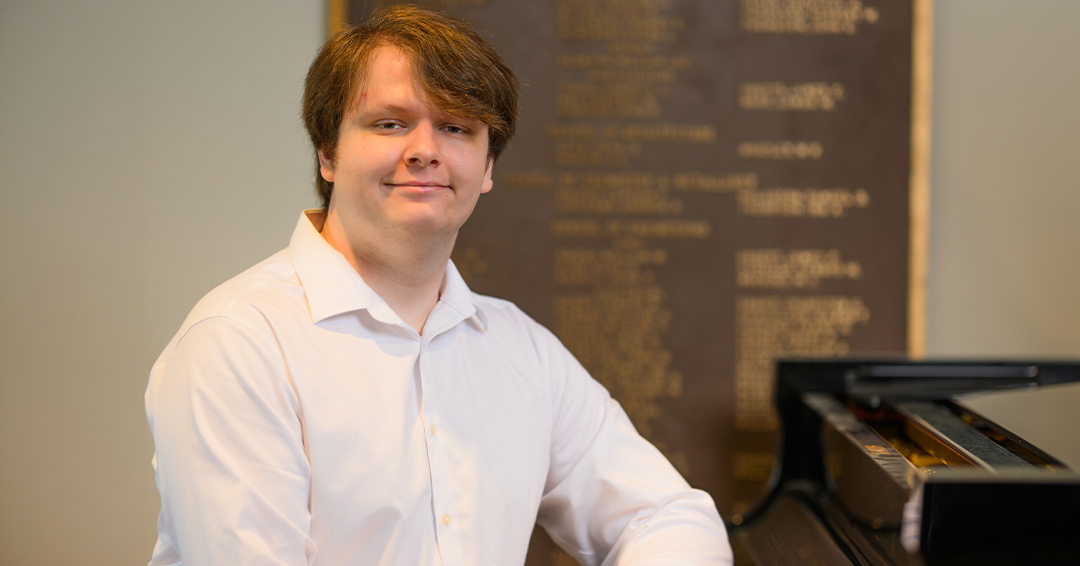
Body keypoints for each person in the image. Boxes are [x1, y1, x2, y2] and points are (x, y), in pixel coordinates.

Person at [145, 6, 732, 565]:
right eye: (390, 123)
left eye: (456, 127)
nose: (425, 151)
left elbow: (665, 515)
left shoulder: (521, 352)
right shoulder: (239, 344)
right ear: (327, 153)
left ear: (488, 167)